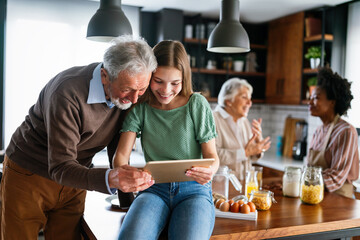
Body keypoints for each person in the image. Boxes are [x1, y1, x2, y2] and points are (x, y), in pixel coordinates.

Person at [0, 35, 157, 239]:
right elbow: (59, 166)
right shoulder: (66, 93)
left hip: (75, 176)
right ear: (104, 76)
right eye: (127, 89)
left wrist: (127, 199)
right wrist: (111, 178)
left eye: (142, 89)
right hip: (30, 173)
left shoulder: (130, 94)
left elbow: (117, 148)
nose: (135, 99)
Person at [114, 40, 219, 240]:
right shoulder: (141, 108)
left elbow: (212, 156)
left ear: (184, 79)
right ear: (149, 76)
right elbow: (120, 156)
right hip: (153, 188)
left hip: (194, 191)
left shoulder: (197, 104)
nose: (166, 90)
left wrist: (210, 171)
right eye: (159, 81)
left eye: (175, 83)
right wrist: (125, 174)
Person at [307, 67, 359, 198]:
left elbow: (336, 176)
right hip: (316, 196)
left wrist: (302, 183)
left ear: (332, 102)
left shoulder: (346, 132)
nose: (310, 102)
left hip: (339, 201)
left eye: (316, 98)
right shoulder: (319, 131)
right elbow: (309, 169)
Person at [213, 78, 271, 181]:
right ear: (228, 101)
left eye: (250, 98)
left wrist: (258, 147)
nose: (250, 103)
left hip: (243, 183)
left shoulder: (243, 121)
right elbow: (214, 155)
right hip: (222, 186)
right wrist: (245, 152)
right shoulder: (213, 119)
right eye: (244, 97)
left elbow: (249, 155)